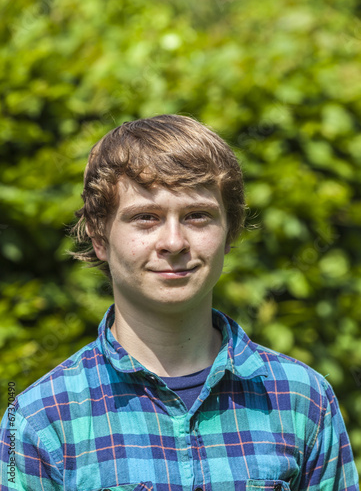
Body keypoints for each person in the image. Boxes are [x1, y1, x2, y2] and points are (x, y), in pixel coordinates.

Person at [0, 114, 359, 491]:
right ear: (99, 237)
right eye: (145, 217)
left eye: (197, 216)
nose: (173, 242)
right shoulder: (39, 421)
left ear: (229, 232)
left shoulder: (303, 398)